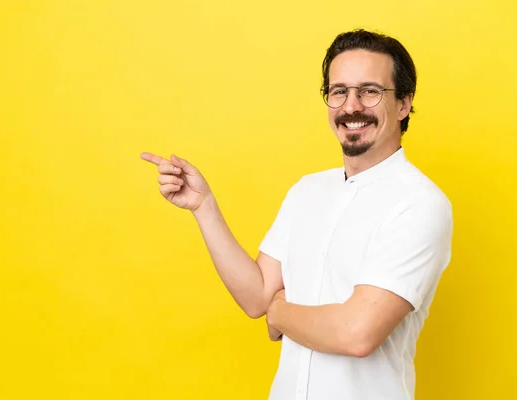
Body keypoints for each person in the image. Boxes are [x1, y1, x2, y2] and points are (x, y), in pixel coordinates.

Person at [141, 29, 453, 400]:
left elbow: (356, 333)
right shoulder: (307, 190)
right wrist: (203, 206)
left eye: (370, 91)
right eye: (338, 91)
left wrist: (280, 314)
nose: (351, 106)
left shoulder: (419, 203)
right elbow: (257, 294)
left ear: (403, 104)